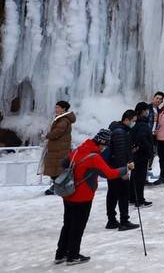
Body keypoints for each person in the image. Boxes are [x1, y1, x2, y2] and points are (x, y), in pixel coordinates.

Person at [56, 128, 132, 265]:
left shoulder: (78, 150)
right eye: (105, 146)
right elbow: (109, 174)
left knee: (67, 224)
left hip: (68, 194)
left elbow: (64, 163)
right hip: (83, 197)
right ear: (102, 143)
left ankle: (60, 254)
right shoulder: (94, 157)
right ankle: (72, 256)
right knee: (77, 227)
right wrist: (126, 169)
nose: (105, 149)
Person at [104, 110, 140, 231]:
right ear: (127, 120)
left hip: (112, 168)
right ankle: (124, 221)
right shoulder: (120, 132)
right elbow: (119, 154)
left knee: (112, 193)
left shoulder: (117, 129)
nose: (134, 123)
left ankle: (111, 220)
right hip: (118, 169)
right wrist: (124, 172)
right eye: (133, 121)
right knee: (123, 194)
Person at [41, 101, 75, 192]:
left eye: (57, 107)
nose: (55, 109)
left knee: (58, 169)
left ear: (63, 108)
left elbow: (57, 132)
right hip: (57, 148)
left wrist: (47, 135)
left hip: (60, 149)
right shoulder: (61, 119)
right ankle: (57, 186)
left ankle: (57, 187)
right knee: (57, 169)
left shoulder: (63, 120)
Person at [129, 102, 154, 207]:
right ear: (143, 111)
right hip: (142, 155)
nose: (147, 112)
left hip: (136, 155)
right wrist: (149, 150)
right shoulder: (143, 125)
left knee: (134, 177)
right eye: (146, 110)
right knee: (140, 178)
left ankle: (132, 198)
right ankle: (139, 199)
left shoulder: (137, 124)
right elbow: (142, 139)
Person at [147, 92, 163, 181]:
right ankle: (143, 178)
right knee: (146, 155)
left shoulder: (159, 110)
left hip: (154, 136)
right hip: (147, 135)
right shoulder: (147, 108)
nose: (158, 100)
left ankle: (146, 175)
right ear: (153, 98)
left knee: (152, 154)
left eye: (160, 99)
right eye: (157, 98)